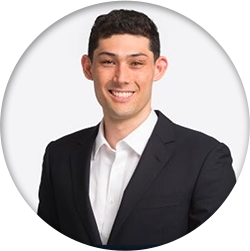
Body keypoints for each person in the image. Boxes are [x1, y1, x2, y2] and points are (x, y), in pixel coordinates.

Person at [35, 9, 240, 245]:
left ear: (158, 68)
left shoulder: (206, 158)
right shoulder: (58, 156)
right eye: (108, 61)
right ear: (88, 68)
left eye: (136, 63)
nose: (121, 77)